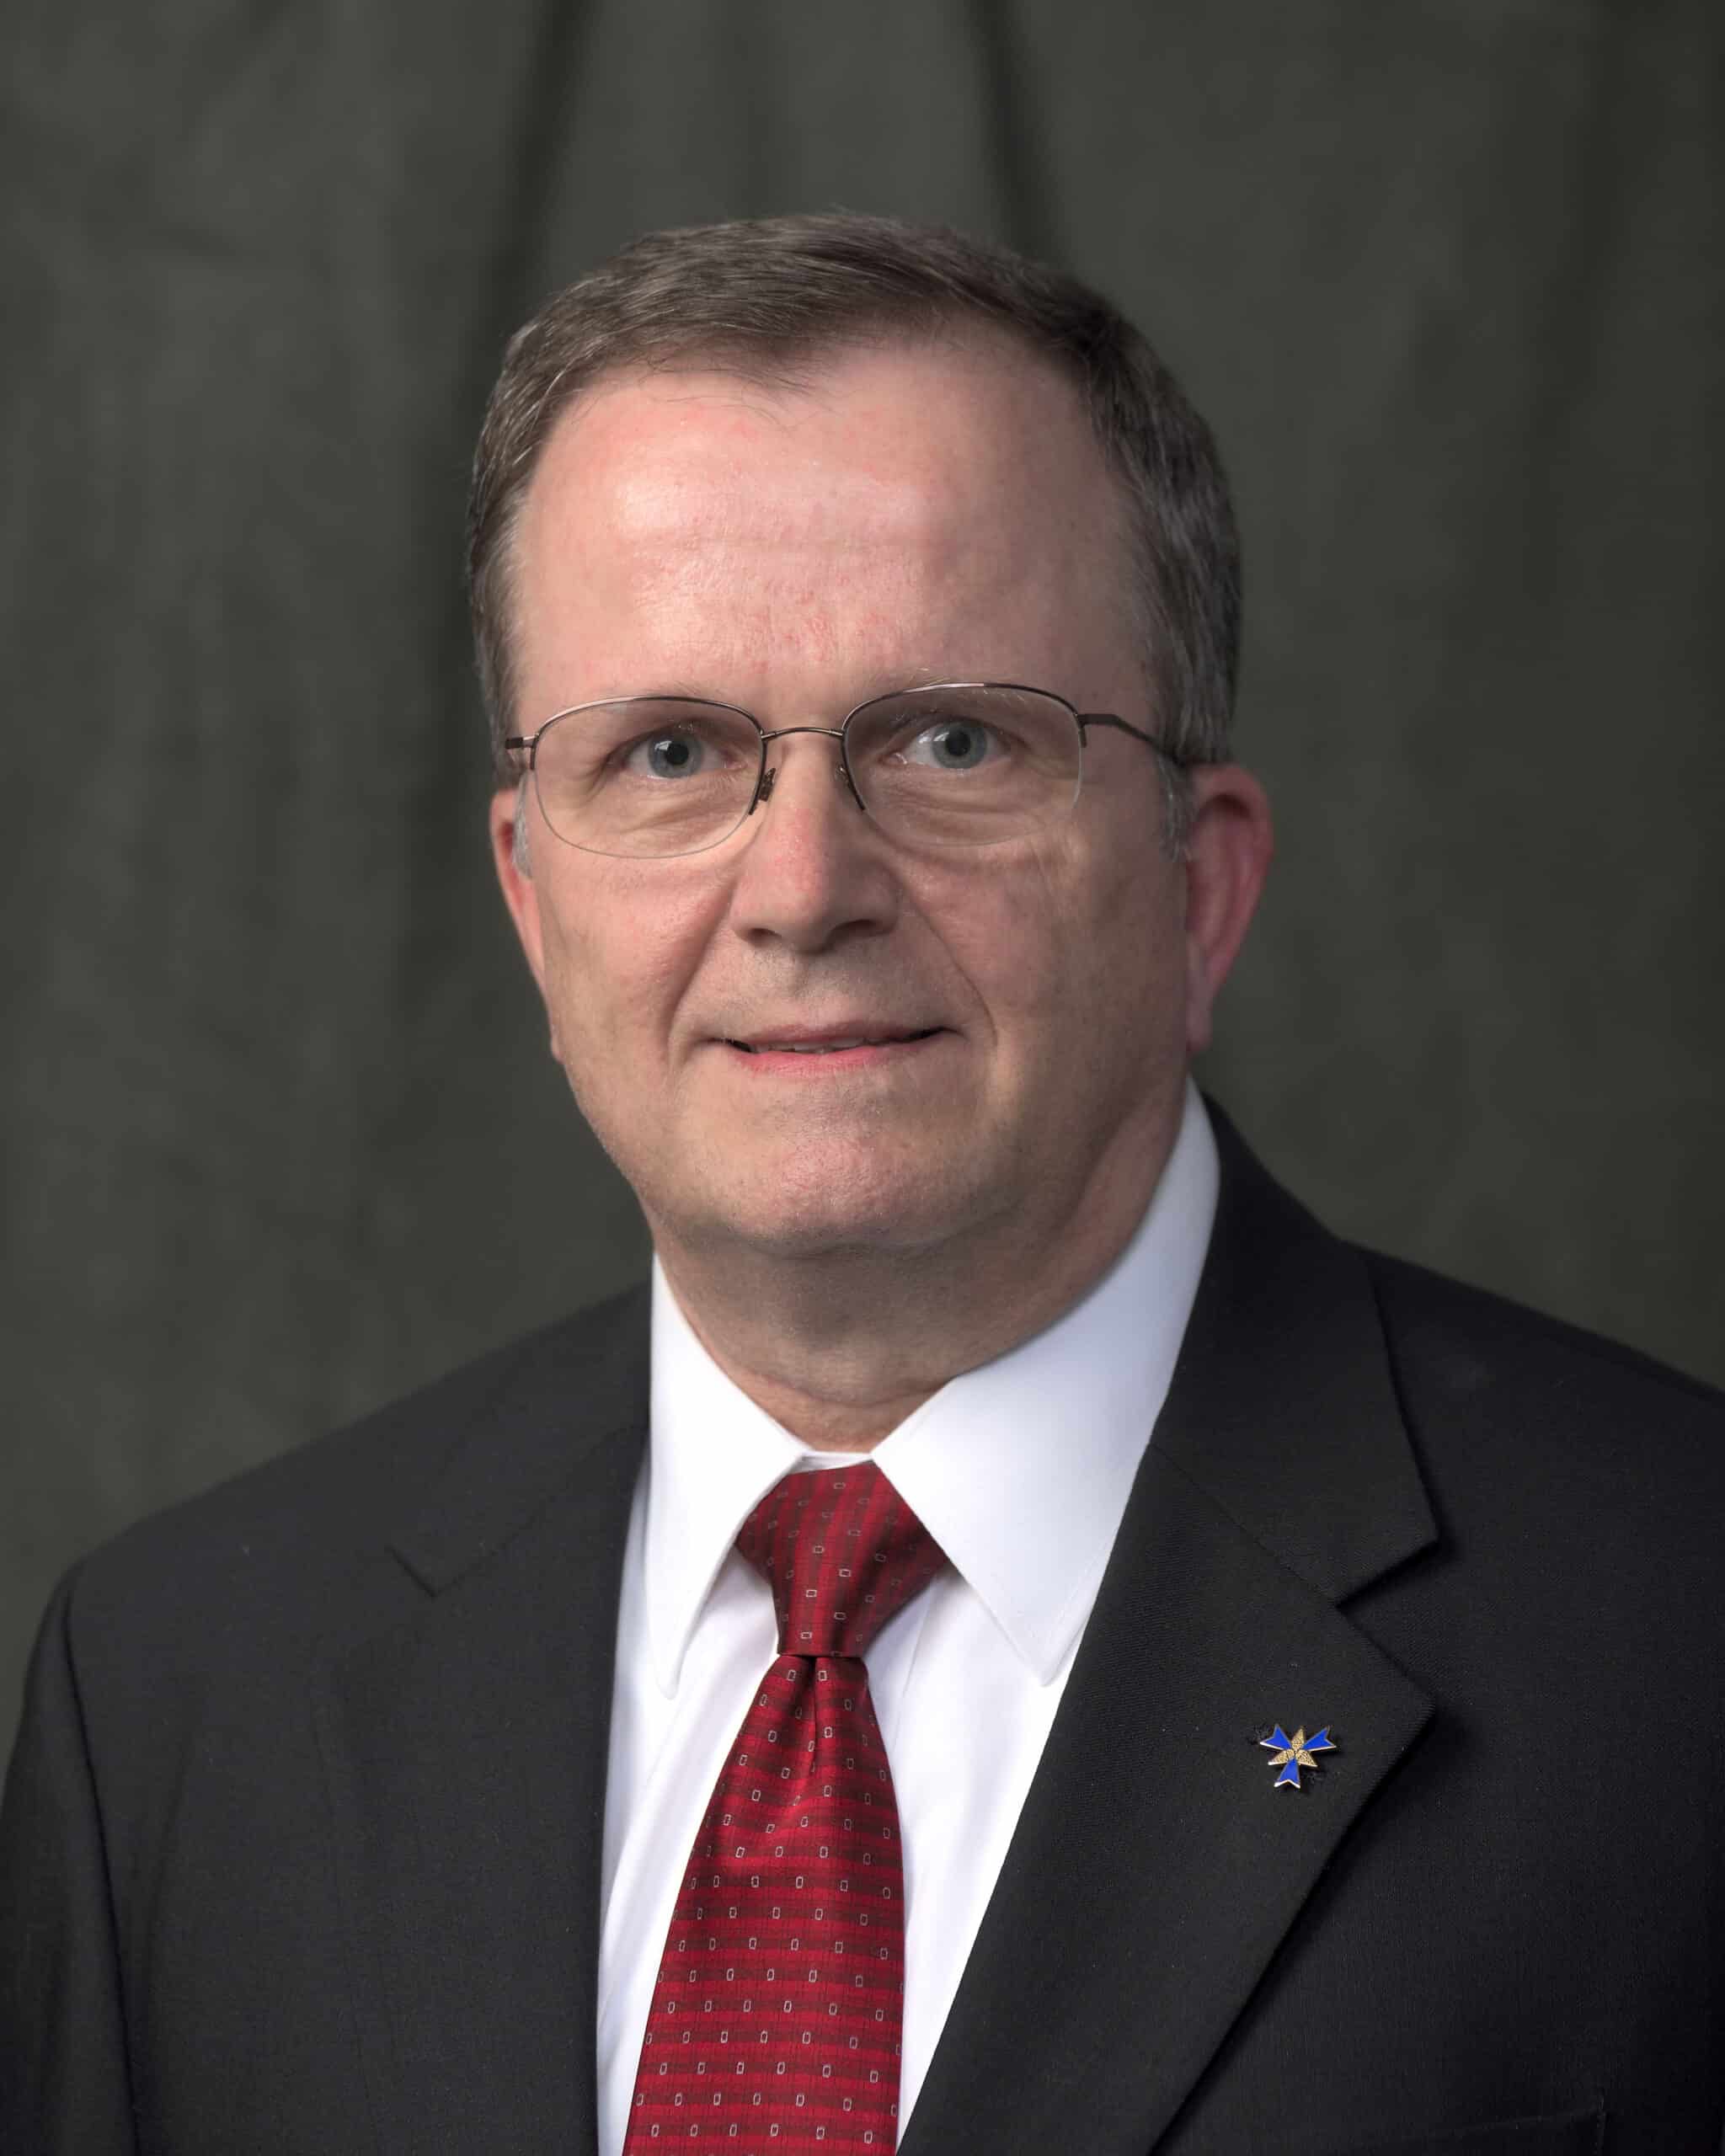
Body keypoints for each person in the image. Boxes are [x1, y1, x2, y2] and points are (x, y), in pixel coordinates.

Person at [2, 213, 1720, 2156]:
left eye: (958, 739)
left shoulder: (1674, 1646)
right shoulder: (174, 1700)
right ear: (528, 893)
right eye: (666, 752)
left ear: (1198, 885)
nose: (804, 885)